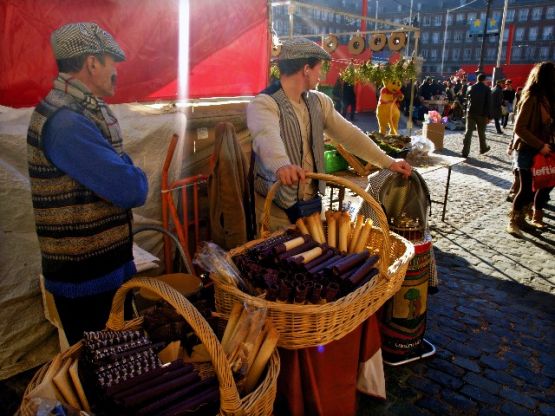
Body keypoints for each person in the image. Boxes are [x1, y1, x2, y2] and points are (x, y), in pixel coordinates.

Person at [26, 22, 148, 344]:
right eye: (112, 61)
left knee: (120, 367)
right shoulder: (66, 123)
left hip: (102, 272)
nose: (116, 70)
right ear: (92, 63)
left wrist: (121, 166)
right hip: (88, 281)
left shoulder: (82, 110)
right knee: (106, 379)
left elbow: (117, 174)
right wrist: (130, 168)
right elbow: (131, 189)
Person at [246, 37, 411, 231]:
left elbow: (349, 135)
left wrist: (388, 162)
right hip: (276, 212)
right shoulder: (264, 103)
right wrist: (281, 164)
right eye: (319, 69)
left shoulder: (319, 102)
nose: (321, 76)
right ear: (306, 69)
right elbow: (265, 135)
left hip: (312, 207)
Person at [507, 61, 555, 236]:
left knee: (535, 187)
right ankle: (513, 221)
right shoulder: (531, 97)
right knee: (526, 188)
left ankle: (522, 219)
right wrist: (540, 145)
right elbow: (519, 128)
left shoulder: (546, 99)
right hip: (527, 148)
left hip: (539, 148)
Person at [462, 73, 491, 157]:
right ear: (484, 80)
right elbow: (488, 103)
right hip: (482, 114)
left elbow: (466, 100)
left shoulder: (470, 87)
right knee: (481, 132)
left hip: (470, 113)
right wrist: (488, 116)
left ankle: (465, 151)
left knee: (468, 132)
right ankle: (483, 148)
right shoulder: (487, 89)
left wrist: (466, 111)